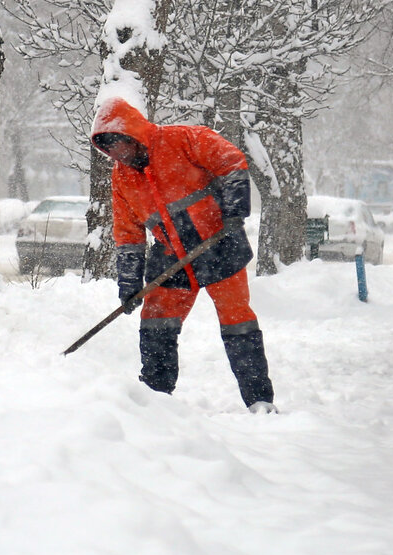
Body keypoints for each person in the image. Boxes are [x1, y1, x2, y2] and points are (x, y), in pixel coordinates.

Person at [90, 95, 277, 413]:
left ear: (134, 133)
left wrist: (234, 211)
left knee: (237, 322)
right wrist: (129, 282)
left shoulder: (183, 139)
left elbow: (231, 161)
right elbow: (128, 233)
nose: (120, 154)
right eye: (111, 149)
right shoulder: (121, 178)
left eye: (122, 144)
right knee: (155, 323)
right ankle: (155, 400)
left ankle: (259, 399)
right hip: (172, 256)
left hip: (219, 242)